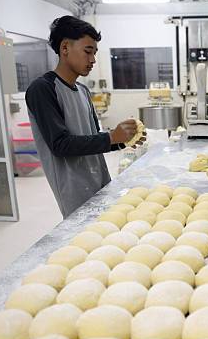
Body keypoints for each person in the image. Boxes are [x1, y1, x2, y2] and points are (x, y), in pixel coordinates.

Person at [26, 16, 144, 218]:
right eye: (88, 52)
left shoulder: (82, 90)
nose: (93, 60)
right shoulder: (43, 89)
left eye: (95, 53)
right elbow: (60, 145)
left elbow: (91, 137)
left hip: (100, 181)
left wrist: (121, 142)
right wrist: (111, 138)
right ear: (65, 48)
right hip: (74, 191)